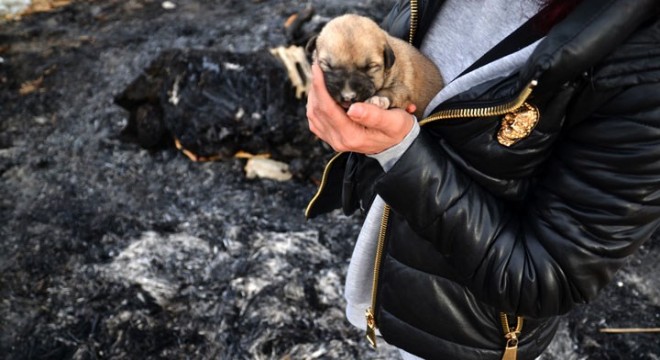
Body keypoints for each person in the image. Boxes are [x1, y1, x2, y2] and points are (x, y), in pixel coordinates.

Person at [305, 0, 660, 359]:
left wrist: (399, 153)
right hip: (392, 275)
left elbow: (547, 278)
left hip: (465, 334)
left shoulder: (646, 67)